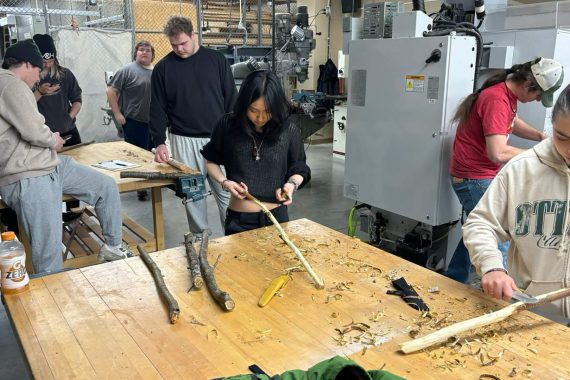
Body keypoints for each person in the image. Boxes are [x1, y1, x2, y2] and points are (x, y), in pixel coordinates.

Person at [0, 40, 131, 274]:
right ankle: (53, 305)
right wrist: (54, 140)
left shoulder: (11, 86)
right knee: (49, 256)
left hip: (49, 164)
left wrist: (50, 140)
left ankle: (113, 246)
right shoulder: (10, 84)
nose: (38, 78)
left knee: (105, 186)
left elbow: (27, 126)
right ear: (28, 64)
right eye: (38, 71)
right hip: (30, 176)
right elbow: (32, 130)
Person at [444, 57, 564, 284]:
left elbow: (512, 122)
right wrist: (541, 156)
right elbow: (497, 153)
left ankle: (454, 278)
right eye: (538, 95)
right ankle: (496, 295)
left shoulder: (505, 95)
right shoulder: (497, 99)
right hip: (473, 178)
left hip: (477, 174)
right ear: (529, 85)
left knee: (478, 227)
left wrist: (539, 136)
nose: (538, 100)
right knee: (500, 234)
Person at [464, 82, 570, 323]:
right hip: (532, 314)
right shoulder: (522, 169)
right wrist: (492, 266)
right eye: (562, 137)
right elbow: (481, 224)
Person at [149, 16, 236, 235]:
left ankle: (234, 236)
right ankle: (200, 242)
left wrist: (235, 135)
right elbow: (157, 108)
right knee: (193, 195)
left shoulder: (217, 60)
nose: (179, 49)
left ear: (194, 35)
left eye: (183, 43)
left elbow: (232, 101)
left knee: (227, 191)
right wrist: (159, 142)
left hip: (218, 138)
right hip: (183, 140)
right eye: (174, 45)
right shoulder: (162, 69)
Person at [201, 70, 310, 235]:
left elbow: (299, 167)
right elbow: (211, 160)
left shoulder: (288, 129)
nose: (260, 118)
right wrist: (225, 182)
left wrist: (291, 185)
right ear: (244, 104)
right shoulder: (227, 125)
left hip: (277, 220)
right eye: (253, 110)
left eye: (267, 112)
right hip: (239, 221)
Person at [107, 40, 155, 201]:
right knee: (137, 156)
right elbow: (111, 90)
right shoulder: (127, 70)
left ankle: (151, 181)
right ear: (136, 53)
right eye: (141, 50)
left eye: (147, 50)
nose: (144, 52)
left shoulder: (156, 71)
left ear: (152, 54)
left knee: (152, 153)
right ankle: (140, 187)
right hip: (134, 121)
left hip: (154, 122)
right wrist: (117, 113)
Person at [32, 34, 83, 147]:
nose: (47, 64)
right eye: (44, 61)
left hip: (68, 130)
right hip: (44, 134)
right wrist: (40, 92)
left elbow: (77, 100)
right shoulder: (30, 77)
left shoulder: (65, 74)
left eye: (51, 61)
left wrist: (69, 118)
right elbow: (25, 104)